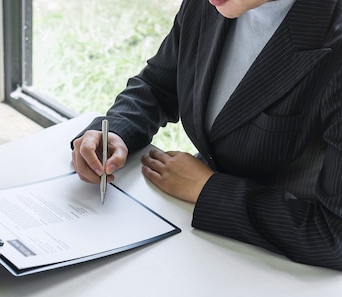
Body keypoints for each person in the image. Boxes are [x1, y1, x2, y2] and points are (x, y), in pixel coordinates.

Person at [72, 0, 342, 270]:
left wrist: (206, 189)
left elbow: (335, 237)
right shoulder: (210, 5)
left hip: (289, 271)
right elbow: (159, 83)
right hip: (203, 248)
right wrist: (117, 128)